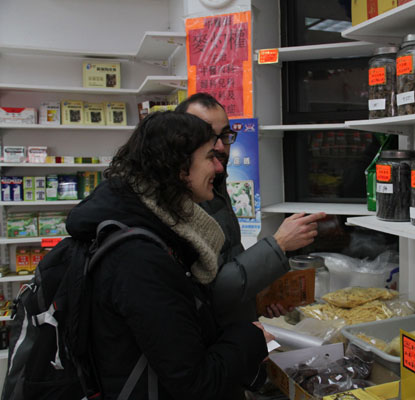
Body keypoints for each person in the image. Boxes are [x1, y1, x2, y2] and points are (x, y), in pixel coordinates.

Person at [65, 111, 271, 399]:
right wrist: (250, 340)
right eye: (209, 157)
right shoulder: (139, 258)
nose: (219, 167)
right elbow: (193, 382)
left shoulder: (160, 231)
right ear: (179, 168)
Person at [175, 94, 327, 324]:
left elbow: (229, 262)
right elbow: (209, 292)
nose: (219, 147)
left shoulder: (216, 184)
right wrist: (278, 244)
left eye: (225, 136)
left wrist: (258, 298)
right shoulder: (180, 201)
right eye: (206, 136)